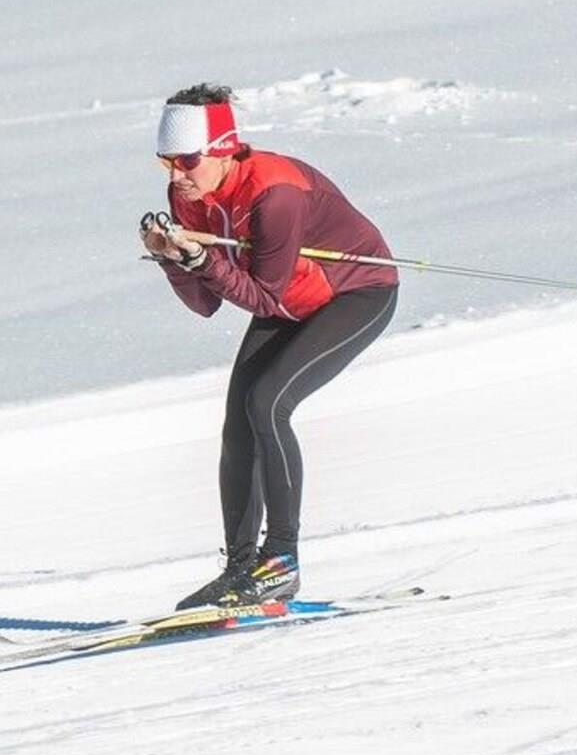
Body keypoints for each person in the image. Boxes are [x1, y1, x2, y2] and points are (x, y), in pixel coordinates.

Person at [140, 84, 399, 610]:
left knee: (267, 403)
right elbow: (205, 304)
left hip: (356, 296)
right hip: (287, 300)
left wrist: (201, 261)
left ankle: (280, 563)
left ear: (223, 150)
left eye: (187, 161)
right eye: (165, 162)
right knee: (237, 421)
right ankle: (242, 570)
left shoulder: (274, 194)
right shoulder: (185, 196)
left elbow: (264, 298)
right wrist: (174, 259)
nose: (175, 175)